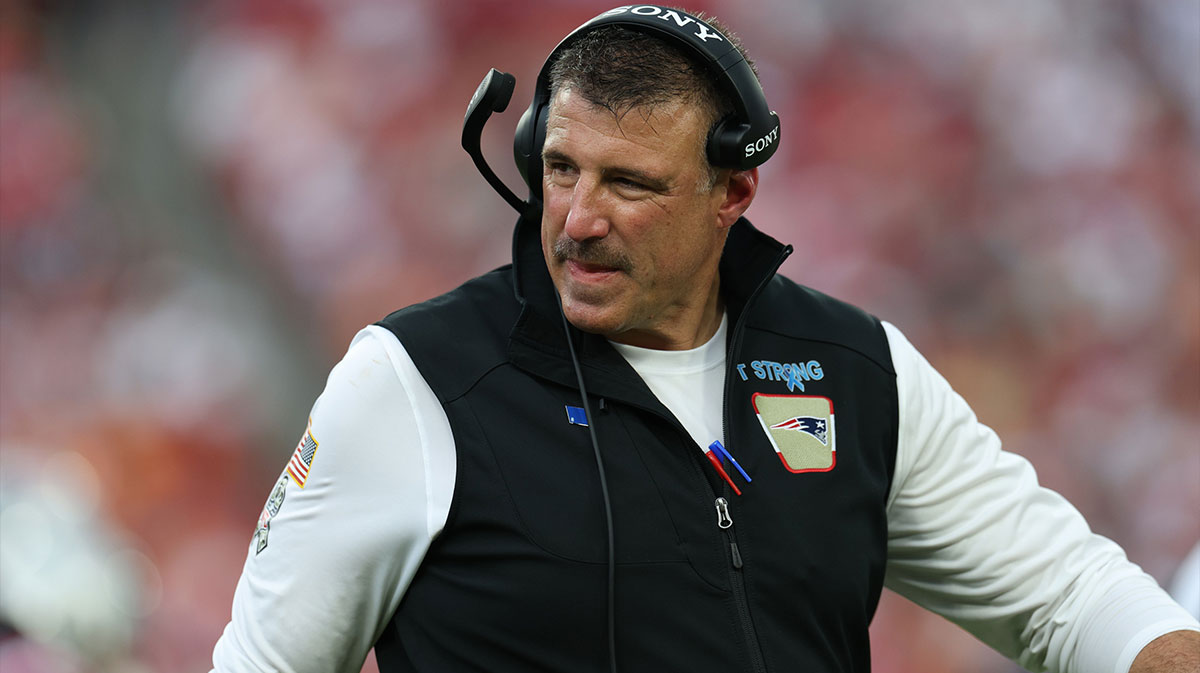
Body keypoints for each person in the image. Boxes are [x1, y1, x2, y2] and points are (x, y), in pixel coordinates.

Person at [211, 6, 1200, 672]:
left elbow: (1076, 598)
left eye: (630, 183)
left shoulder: (857, 372)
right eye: (561, 168)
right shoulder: (415, 382)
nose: (578, 219)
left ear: (733, 191)